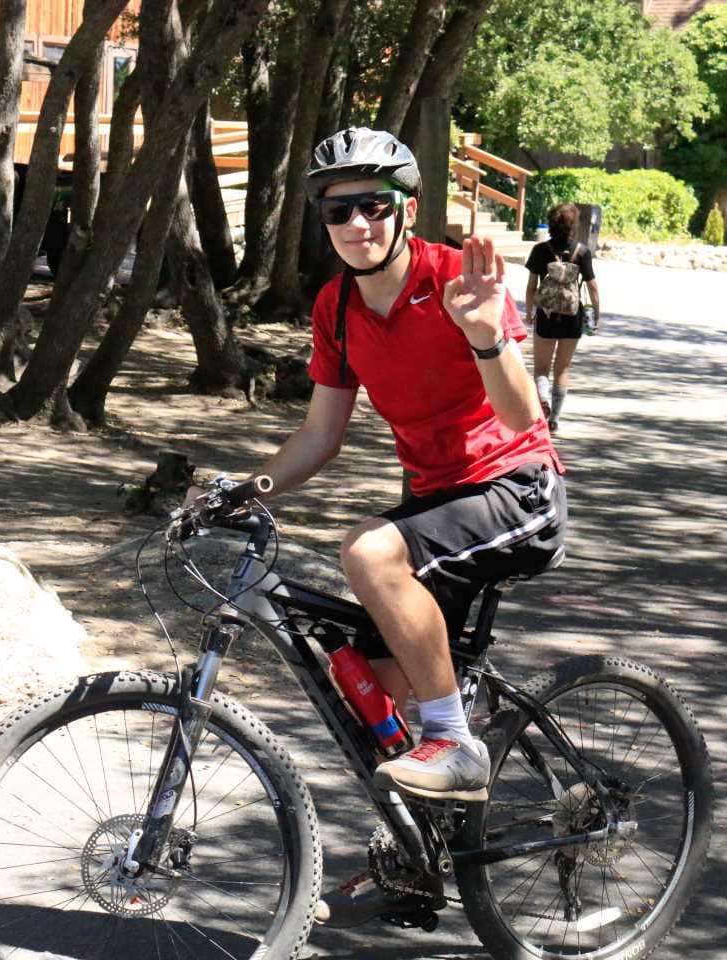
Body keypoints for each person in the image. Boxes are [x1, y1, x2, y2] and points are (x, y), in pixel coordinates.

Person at [197, 127, 566, 926]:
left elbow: (523, 412)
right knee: (362, 675)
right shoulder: (335, 308)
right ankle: (415, 855)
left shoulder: (456, 281)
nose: (358, 223)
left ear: (407, 209)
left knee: (369, 550)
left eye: (375, 204)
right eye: (339, 210)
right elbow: (320, 436)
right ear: (321, 221)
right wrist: (244, 489)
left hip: (517, 490)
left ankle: (456, 744)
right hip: (439, 503)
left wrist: (485, 333)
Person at [526, 203, 599, 433]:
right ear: (573, 225)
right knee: (563, 369)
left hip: (546, 316)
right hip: (572, 317)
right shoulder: (582, 251)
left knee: (541, 369)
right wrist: (596, 313)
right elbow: (593, 287)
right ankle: (555, 418)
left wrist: (529, 311)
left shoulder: (540, 250)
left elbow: (531, 286)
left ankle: (543, 401)